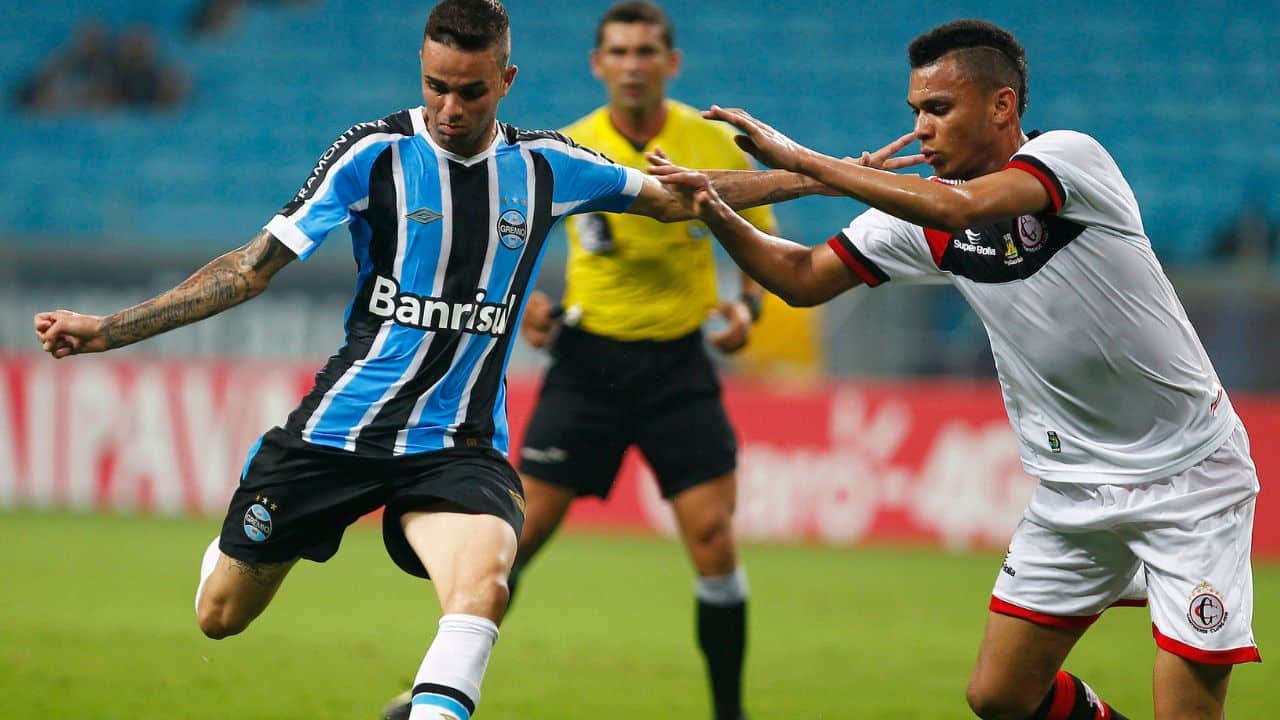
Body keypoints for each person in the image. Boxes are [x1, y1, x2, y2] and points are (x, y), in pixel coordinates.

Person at [31, 2, 820, 719]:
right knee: (220, 616)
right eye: (436, 86)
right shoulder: (371, 155)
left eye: (472, 91)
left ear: (506, 80)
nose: (450, 108)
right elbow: (250, 268)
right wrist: (107, 331)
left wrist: (826, 173)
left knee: (485, 585)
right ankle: (254, 524)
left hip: (454, 448)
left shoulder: (547, 165)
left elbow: (682, 194)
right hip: (335, 437)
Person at [651, 18, 1261, 720]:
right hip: (1072, 489)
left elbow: (964, 204)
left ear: (1002, 106)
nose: (922, 128)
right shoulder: (920, 217)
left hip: (1187, 478)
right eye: (915, 111)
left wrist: (806, 160)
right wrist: (717, 209)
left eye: (938, 109)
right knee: (999, 696)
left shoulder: (1071, 160)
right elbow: (801, 277)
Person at [383, 3, 775, 719]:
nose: (632, 64)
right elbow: (509, 232)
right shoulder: (570, 147)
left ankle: (729, 713)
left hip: (678, 367)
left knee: (715, 540)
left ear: (670, 63)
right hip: (588, 363)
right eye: (618, 52)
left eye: (646, 51)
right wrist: (524, 306)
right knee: (513, 539)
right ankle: (432, 690)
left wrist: (749, 309)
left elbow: (757, 241)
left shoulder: (708, 140)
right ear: (599, 64)